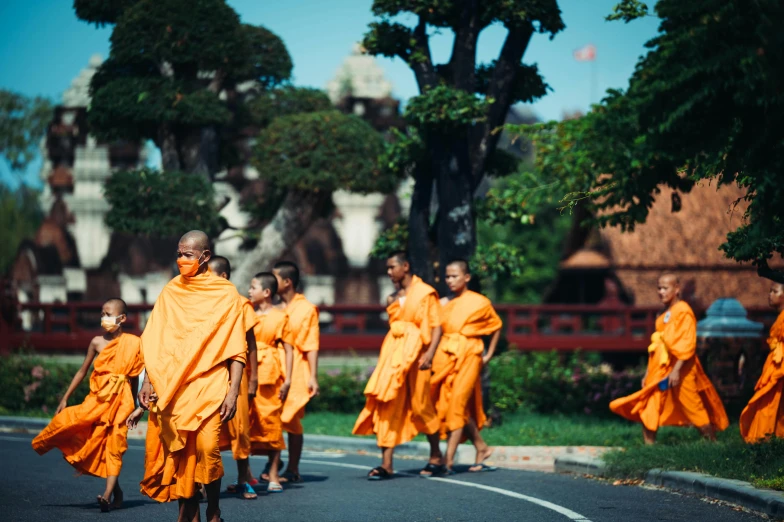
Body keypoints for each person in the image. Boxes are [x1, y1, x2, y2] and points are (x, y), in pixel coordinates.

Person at [133, 230, 249, 522]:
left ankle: (213, 507)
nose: (181, 260)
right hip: (175, 386)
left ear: (205, 256)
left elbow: (237, 348)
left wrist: (233, 392)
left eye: (188, 255)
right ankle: (190, 512)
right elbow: (156, 340)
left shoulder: (226, 294)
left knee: (209, 448)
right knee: (181, 450)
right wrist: (147, 380)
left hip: (210, 383)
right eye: (179, 254)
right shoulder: (172, 290)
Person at [32, 298, 143, 512]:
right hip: (98, 400)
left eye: (108, 314)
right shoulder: (96, 342)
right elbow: (82, 371)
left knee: (114, 447)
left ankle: (108, 495)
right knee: (81, 429)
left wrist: (138, 405)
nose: (104, 318)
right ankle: (116, 491)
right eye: (102, 314)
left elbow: (137, 376)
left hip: (121, 403)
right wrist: (65, 397)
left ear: (122, 318)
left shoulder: (134, 342)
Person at [353, 251, 444, 480]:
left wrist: (430, 355)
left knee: (421, 404)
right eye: (387, 268)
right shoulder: (392, 298)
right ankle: (386, 464)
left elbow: (436, 326)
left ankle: (436, 456)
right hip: (394, 355)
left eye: (392, 267)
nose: (389, 272)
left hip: (419, 357)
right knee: (387, 402)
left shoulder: (425, 293)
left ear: (405, 266)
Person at [610, 273, 729, 444]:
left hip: (682, 366)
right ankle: (648, 448)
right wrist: (647, 372)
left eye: (665, 288)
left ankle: (712, 443)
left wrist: (676, 370)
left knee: (691, 404)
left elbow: (687, 343)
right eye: (659, 288)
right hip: (660, 366)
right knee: (651, 401)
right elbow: (657, 346)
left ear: (677, 289)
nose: (661, 292)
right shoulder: (665, 312)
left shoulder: (683, 311)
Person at [431, 260, 502, 473]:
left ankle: (448, 460)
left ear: (467, 277)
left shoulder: (480, 302)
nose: (450, 281)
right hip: (446, 355)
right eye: (447, 277)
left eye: (455, 276)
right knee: (451, 404)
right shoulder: (443, 303)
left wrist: (488, 354)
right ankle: (481, 447)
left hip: (470, 353)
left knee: (457, 404)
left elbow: (496, 326)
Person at [209, 256, 260, 500]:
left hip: (236, 374)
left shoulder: (241, 304)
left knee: (239, 427)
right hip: (209, 374)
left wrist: (253, 379)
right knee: (207, 429)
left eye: (208, 274)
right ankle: (202, 481)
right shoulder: (202, 304)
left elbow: (251, 344)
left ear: (224, 276)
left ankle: (243, 478)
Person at [272, 261, 319, 483]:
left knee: (291, 418)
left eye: (276, 279)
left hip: (297, 367)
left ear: (287, 282)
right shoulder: (272, 308)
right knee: (270, 417)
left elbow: (311, 344)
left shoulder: (307, 308)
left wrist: (313, 376)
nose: (272, 283)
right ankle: (274, 464)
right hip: (272, 367)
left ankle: (292, 467)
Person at [247, 272, 294, 492]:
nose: (249, 291)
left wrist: (289, 379)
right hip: (248, 373)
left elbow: (288, 348)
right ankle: (245, 475)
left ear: (266, 292)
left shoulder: (280, 316)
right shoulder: (248, 314)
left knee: (273, 424)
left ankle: (273, 473)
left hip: (272, 375)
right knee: (245, 424)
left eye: (253, 287)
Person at [740, 282, 784, 442]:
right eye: (770, 290)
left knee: (768, 404)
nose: (769, 294)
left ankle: (760, 442)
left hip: (781, 367)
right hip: (776, 365)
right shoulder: (780, 317)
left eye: (774, 291)